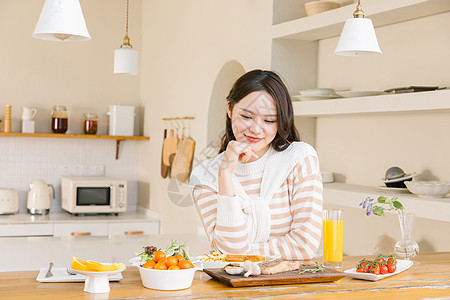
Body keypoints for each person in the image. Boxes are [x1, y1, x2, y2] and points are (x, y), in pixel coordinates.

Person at [189, 70, 323, 260]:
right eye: (246, 117)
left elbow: (304, 246)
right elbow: (229, 252)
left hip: (289, 285)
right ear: (230, 108)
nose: (256, 129)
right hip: (231, 288)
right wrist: (225, 174)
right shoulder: (205, 176)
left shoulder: (300, 160)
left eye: (269, 120)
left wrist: (242, 253)